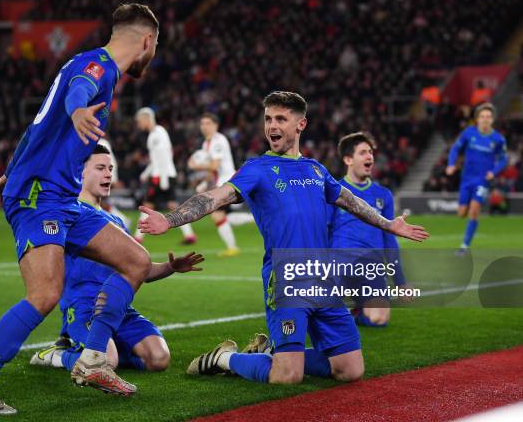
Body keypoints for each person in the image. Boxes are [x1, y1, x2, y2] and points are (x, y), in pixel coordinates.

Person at [139, 91, 428, 385]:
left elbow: (350, 200)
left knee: (350, 370)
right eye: (268, 119)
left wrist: (387, 224)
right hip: (287, 278)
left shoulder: (316, 169)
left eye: (281, 119)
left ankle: (271, 352)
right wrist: (171, 219)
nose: (272, 126)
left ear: (300, 124)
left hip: (323, 278)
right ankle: (223, 358)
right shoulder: (257, 169)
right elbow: (214, 198)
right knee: (286, 376)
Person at [0, 3, 160, 414]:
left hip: (60, 196)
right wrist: (79, 110)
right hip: (40, 196)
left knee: (136, 261)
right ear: (147, 41)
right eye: (155, 46)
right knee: (45, 294)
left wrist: (10, 169)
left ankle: (91, 359)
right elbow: (77, 92)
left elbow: (38, 124)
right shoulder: (98, 68)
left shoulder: (88, 63)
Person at [30, 145, 203, 374]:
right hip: (84, 309)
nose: (109, 174)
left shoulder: (115, 222)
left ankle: (111, 350)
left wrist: (170, 267)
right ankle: (57, 355)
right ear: (79, 172)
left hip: (118, 309)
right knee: (105, 361)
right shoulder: (68, 215)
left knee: (158, 359)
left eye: (110, 168)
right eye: (100, 168)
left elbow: (140, 270)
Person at [328, 132, 407, 327]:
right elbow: (324, 230)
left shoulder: (383, 195)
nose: (369, 156)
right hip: (341, 262)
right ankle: (342, 306)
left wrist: (400, 281)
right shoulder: (334, 191)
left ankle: (357, 313)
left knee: (379, 319)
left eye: (370, 152)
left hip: (372, 265)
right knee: (330, 317)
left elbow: (390, 239)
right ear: (348, 159)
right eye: (363, 152)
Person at [188, 112, 253, 257]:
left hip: (228, 181)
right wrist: (205, 182)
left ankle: (233, 246)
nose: (204, 126)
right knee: (221, 215)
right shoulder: (206, 143)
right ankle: (249, 220)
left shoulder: (218, 140)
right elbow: (213, 169)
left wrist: (195, 165)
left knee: (217, 214)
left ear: (215, 125)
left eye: (208, 123)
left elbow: (214, 165)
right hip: (221, 182)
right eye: (202, 123)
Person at [446, 103, 507, 253]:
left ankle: (464, 246)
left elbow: (503, 159)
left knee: (474, 211)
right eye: (482, 116)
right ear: (477, 119)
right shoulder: (469, 133)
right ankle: (469, 217)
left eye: (488, 117)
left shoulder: (498, 139)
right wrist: (451, 164)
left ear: (492, 120)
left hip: (483, 180)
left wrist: (494, 172)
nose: (485, 119)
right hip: (466, 179)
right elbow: (455, 148)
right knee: (462, 213)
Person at [133, 107, 196, 245]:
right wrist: (146, 173)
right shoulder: (155, 133)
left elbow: (163, 156)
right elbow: (157, 158)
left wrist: (162, 178)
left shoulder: (156, 134)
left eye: (139, 121)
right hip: (164, 174)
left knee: (147, 205)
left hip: (161, 175)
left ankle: (137, 238)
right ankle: (189, 235)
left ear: (146, 119)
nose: (139, 124)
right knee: (173, 205)